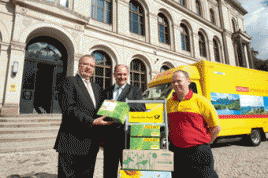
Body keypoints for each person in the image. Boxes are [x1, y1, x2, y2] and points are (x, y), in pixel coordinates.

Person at [54, 54, 114, 178]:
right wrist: (92, 122)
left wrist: (111, 107)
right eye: (85, 64)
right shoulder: (69, 82)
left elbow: (100, 110)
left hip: (91, 143)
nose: (88, 68)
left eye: (92, 65)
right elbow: (69, 110)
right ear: (79, 65)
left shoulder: (96, 88)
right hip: (72, 141)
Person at [167, 70, 221, 178]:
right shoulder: (168, 103)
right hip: (176, 152)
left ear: (188, 81)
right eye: (173, 82)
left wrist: (205, 142)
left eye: (179, 81)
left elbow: (216, 127)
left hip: (198, 152)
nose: (176, 84)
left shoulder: (201, 101)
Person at [101, 64, 146, 178]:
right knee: (109, 170)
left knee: (129, 171)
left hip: (128, 137)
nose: (122, 77)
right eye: (119, 74)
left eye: (124, 74)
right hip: (110, 137)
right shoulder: (106, 91)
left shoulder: (135, 90)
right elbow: (101, 112)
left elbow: (141, 108)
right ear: (114, 75)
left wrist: (119, 106)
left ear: (128, 75)